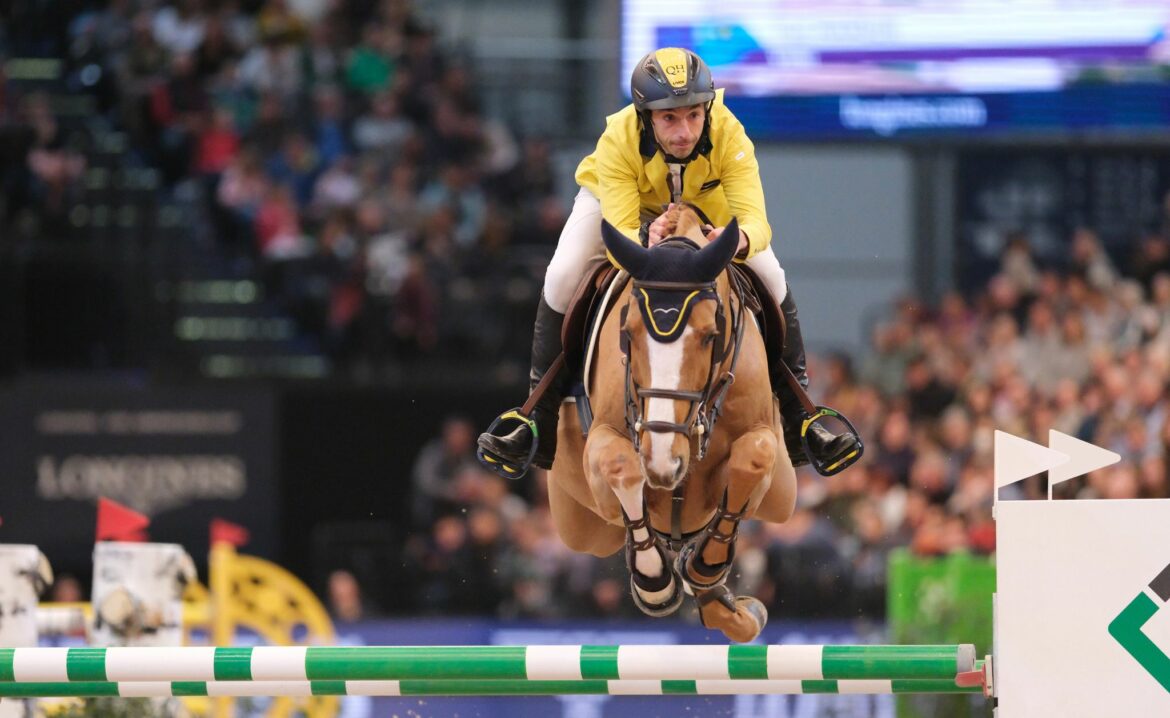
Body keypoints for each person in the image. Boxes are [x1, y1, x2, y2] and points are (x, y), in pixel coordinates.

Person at [478, 47, 860, 474]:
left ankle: (801, 419)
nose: (684, 131)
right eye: (669, 118)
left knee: (771, 274)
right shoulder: (618, 138)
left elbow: (756, 220)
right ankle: (536, 418)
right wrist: (646, 236)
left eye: (694, 115)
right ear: (646, 116)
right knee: (563, 274)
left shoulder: (730, 133)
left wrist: (739, 241)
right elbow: (620, 231)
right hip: (623, 208)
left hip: (707, 210)